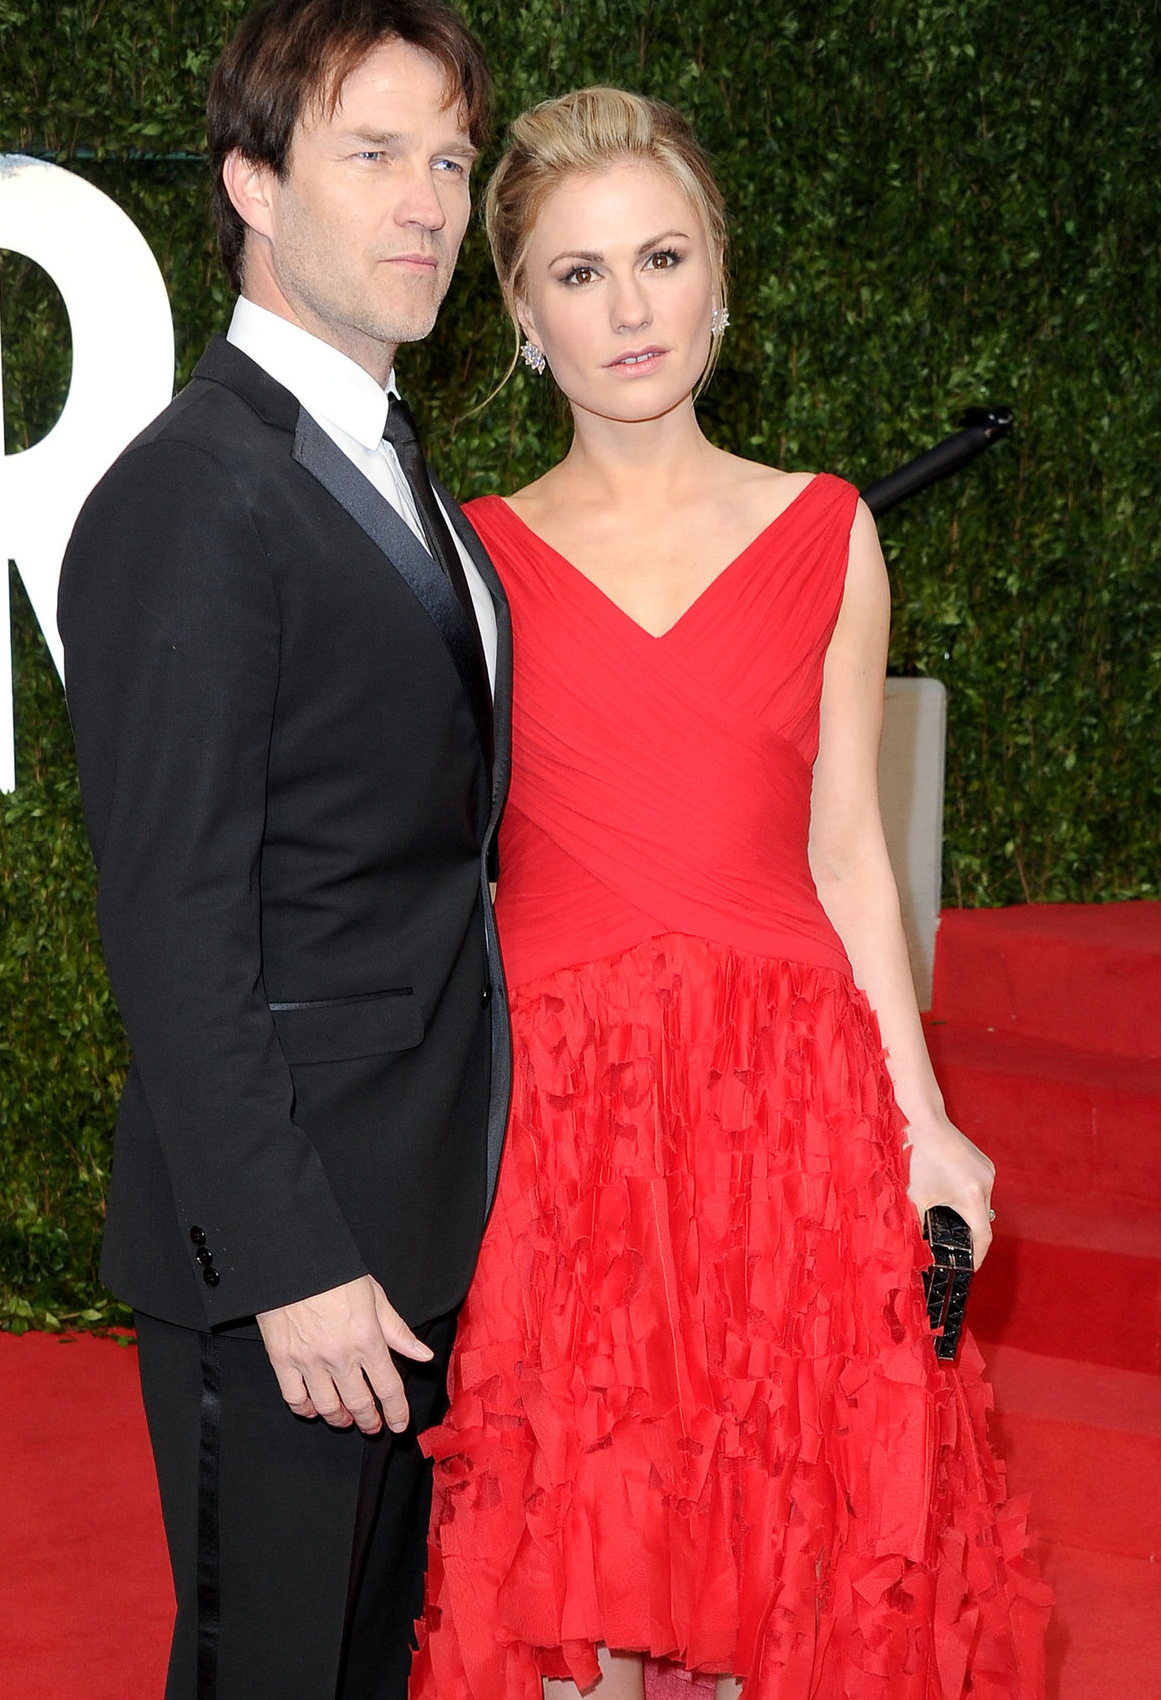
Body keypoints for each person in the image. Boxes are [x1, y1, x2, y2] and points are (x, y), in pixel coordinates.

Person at [410, 88, 1049, 1699]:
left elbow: (849, 853)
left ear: (717, 280)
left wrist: (923, 1120)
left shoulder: (828, 532)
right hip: (564, 1134)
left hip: (788, 1129)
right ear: (522, 316)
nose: (630, 308)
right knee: (576, 1606)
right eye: (579, 273)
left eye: (663, 256)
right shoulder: (470, 559)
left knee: (799, 1587)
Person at [57, 0, 511, 1700]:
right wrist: (288, 1260)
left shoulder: (394, 464)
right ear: (251, 183)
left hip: (417, 1218)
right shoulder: (189, 493)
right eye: (373, 154)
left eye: (450, 162)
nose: (426, 203)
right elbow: (174, 925)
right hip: (294, 1257)